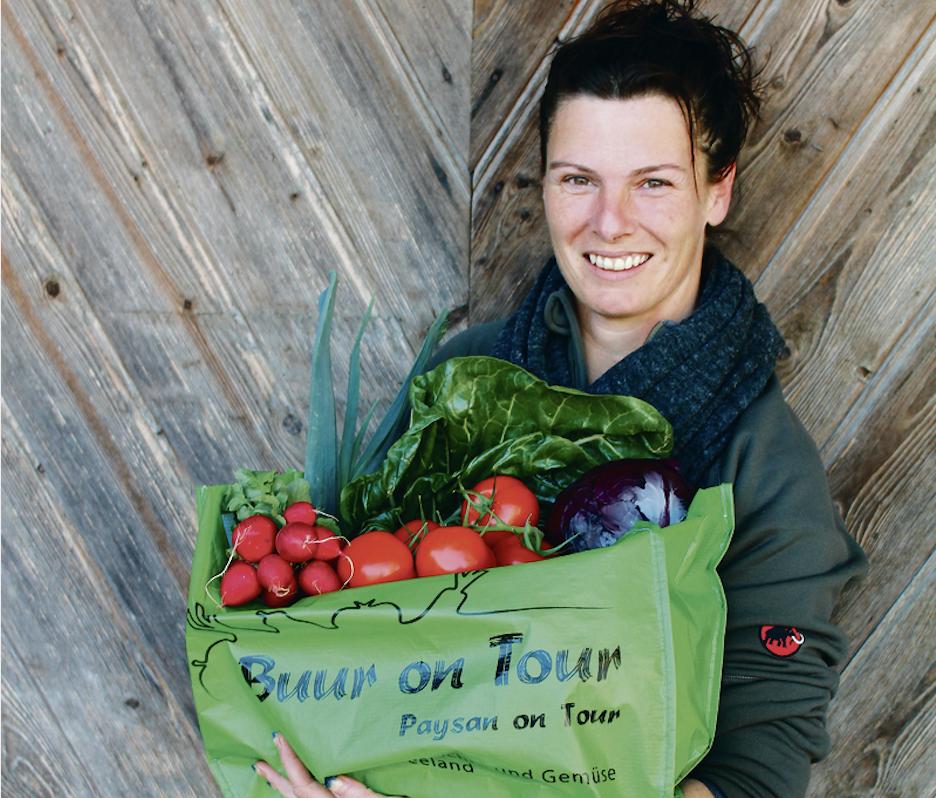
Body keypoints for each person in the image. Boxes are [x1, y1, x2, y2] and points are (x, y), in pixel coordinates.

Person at [256, 1, 867, 796]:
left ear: (717, 191)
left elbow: (760, 766)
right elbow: (353, 619)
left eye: (653, 183)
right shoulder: (465, 376)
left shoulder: (763, 460)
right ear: (544, 185)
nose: (609, 223)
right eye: (579, 180)